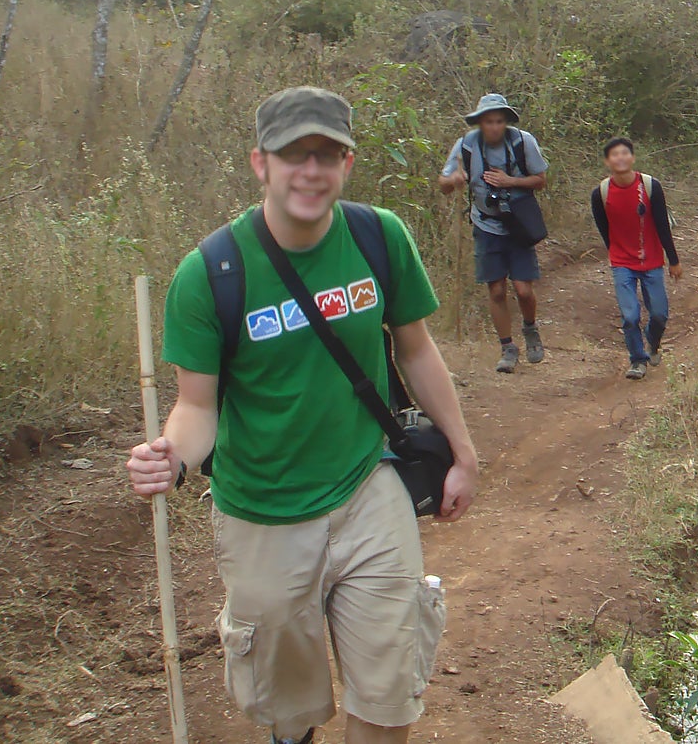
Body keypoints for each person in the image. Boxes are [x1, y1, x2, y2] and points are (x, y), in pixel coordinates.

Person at [124, 86, 479, 744]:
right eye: (294, 154)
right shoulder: (210, 274)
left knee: (387, 692)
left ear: (348, 163)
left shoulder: (379, 236)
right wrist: (172, 455)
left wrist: (462, 451)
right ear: (261, 163)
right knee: (289, 708)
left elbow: (417, 349)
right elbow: (196, 407)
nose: (311, 170)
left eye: (328, 153)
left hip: (367, 485)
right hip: (262, 509)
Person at [439, 93, 550, 374]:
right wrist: (453, 180)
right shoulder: (466, 145)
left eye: (499, 121)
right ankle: (507, 347)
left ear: (506, 122)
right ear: (480, 122)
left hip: (518, 224)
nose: (494, 127)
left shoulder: (523, 141)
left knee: (524, 290)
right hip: (485, 224)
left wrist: (510, 181)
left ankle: (530, 327)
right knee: (496, 289)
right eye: (488, 121)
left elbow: (541, 180)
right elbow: (443, 182)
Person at [589, 136, 682, 380]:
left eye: (624, 153)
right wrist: (615, 252)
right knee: (630, 317)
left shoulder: (651, 186)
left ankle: (652, 342)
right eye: (614, 155)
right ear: (607, 161)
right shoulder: (601, 193)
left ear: (632, 158)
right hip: (622, 263)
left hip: (652, 262)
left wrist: (673, 260)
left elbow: (663, 225)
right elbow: (603, 227)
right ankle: (637, 360)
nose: (620, 158)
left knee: (659, 314)